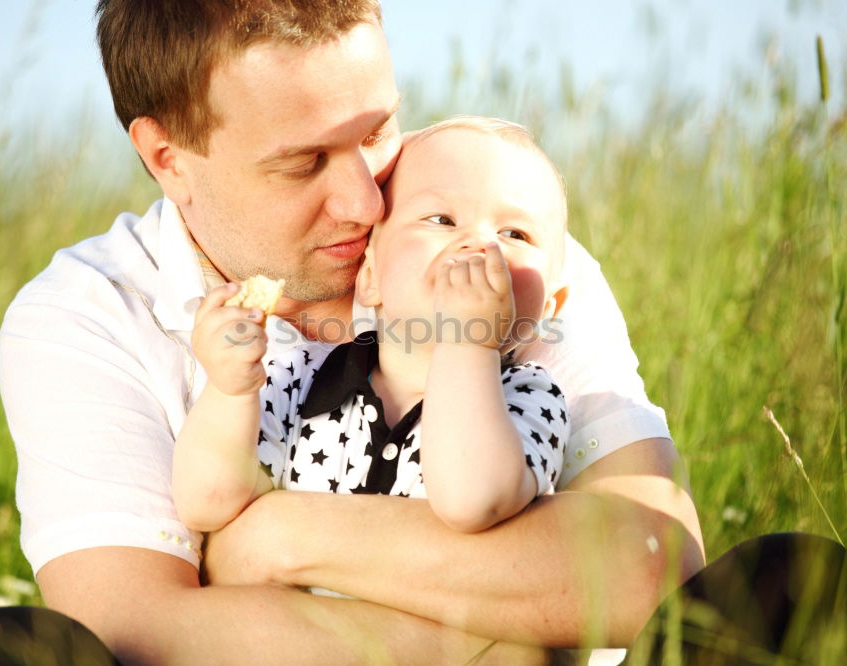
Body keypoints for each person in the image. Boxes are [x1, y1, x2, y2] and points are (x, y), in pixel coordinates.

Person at [0, 1, 847, 664]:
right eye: (304, 161)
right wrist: (510, 642)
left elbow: (650, 561)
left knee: (793, 592)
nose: (362, 197)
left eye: (377, 130)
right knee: (12, 657)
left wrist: (278, 537)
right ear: (167, 158)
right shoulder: (87, 314)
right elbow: (134, 633)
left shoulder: (506, 257)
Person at [173, 117, 571, 540]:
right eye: (442, 220)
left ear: (546, 308)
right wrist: (229, 390)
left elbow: (471, 502)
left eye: (515, 233)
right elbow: (207, 504)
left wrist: (467, 343)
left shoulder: (529, 397)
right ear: (371, 274)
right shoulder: (300, 379)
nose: (479, 245)